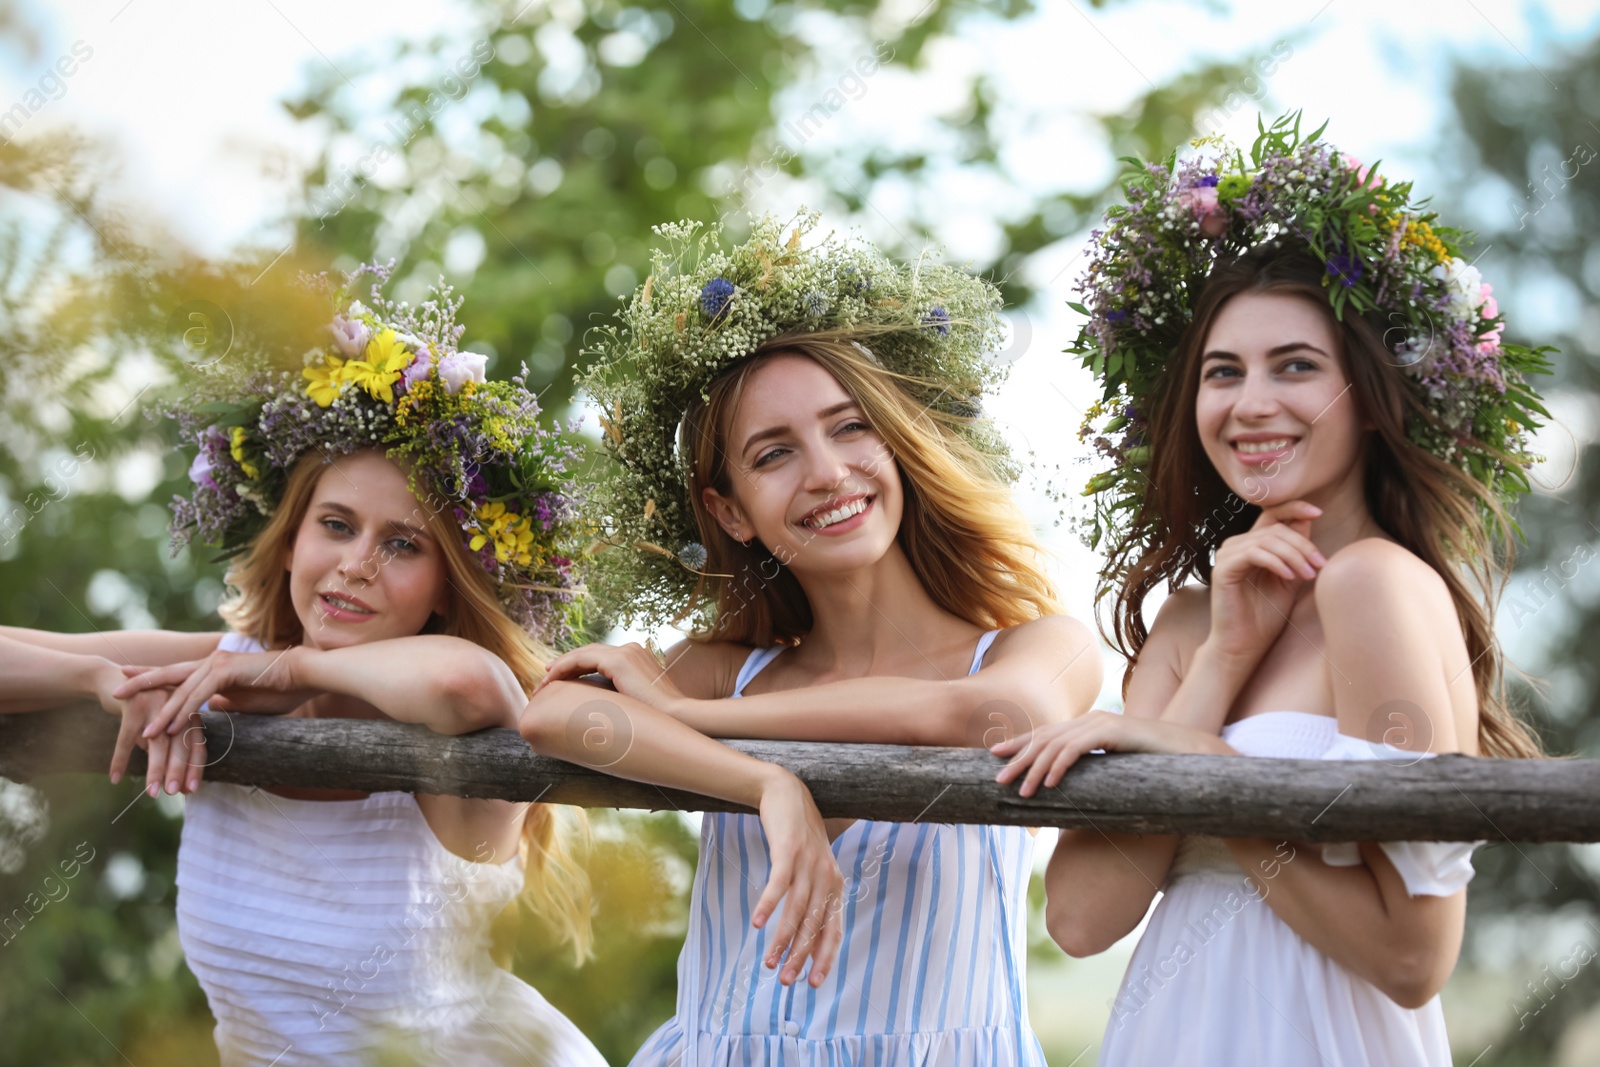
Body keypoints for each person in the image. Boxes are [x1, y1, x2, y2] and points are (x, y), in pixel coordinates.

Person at [0, 265, 834, 1066]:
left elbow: (468, 685)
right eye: (336, 524)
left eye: (402, 545)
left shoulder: (441, 704)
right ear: (292, 540)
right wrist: (97, 679)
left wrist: (294, 674)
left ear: (445, 585)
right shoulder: (228, 664)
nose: (357, 563)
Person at [994, 115, 1548, 1065]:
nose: (1252, 403)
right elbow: (1083, 919)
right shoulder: (1190, 622)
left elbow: (1415, 957)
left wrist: (1200, 764)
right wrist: (1224, 659)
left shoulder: (1376, 586)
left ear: (1371, 402)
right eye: (1223, 373)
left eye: (1296, 367)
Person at [520, 213, 1101, 1065]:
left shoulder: (1034, 646)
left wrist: (695, 720)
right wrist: (766, 785)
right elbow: (551, 717)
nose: (827, 471)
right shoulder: (727, 668)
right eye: (773, 454)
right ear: (730, 512)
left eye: (850, 426)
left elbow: (1001, 715)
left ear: (896, 444)